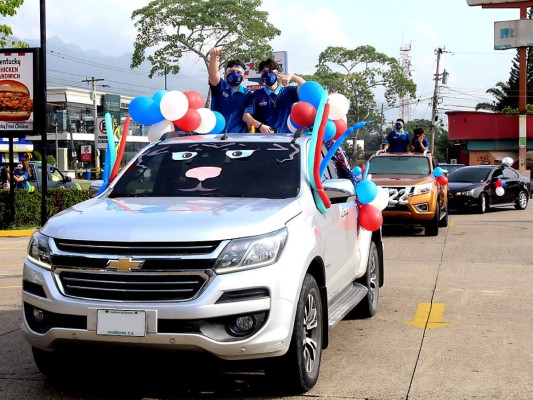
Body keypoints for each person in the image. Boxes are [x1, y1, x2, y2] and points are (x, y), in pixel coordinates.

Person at [243, 58, 306, 133]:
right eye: (264, 72)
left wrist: (292, 76)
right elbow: (245, 116)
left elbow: (307, 87)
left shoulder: (288, 91)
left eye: (271, 71)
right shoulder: (256, 94)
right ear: (261, 76)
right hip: (264, 139)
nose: (268, 74)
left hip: (285, 138)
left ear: (278, 73)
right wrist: (260, 126)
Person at [208, 47, 252, 133]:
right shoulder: (220, 86)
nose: (235, 74)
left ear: (244, 77)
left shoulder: (248, 94)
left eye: (238, 72)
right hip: (216, 136)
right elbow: (213, 74)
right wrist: (213, 57)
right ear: (225, 75)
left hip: (239, 137)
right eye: (231, 71)